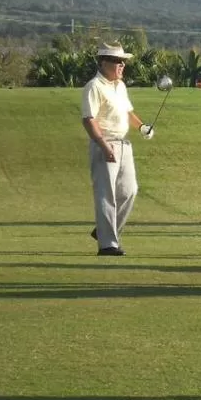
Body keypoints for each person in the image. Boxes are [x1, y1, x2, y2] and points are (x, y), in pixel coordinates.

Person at [81, 41, 154, 256]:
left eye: (123, 62)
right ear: (104, 62)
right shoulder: (94, 86)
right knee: (106, 194)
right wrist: (104, 146)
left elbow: (127, 112)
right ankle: (107, 245)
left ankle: (104, 231)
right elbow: (88, 120)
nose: (122, 65)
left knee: (130, 191)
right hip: (104, 143)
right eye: (117, 62)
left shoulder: (120, 86)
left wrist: (141, 127)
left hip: (123, 144)